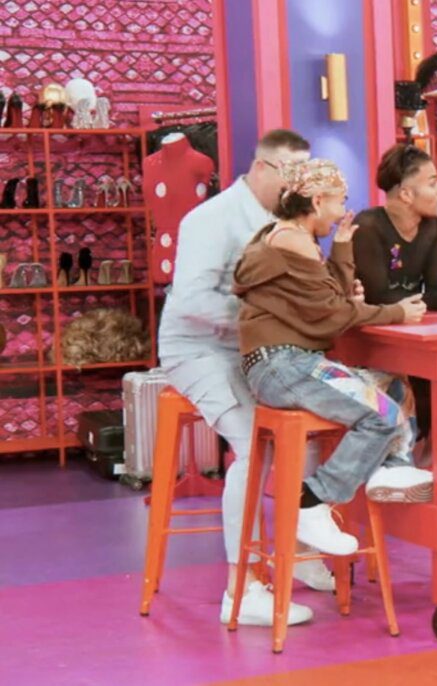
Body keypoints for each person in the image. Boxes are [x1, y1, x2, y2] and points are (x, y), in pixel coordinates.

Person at [159, 130, 325, 626]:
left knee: (312, 428)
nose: (299, 185)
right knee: (255, 445)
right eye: (292, 174)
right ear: (261, 167)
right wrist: (266, 316)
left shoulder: (288, 220)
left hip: (261, 349)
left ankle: (300, 550)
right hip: (199, 350)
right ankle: (243, 587)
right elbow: (191, 302)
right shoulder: (211, 219)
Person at [233, 157, 432, 561]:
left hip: (289, 362)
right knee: (381, 415)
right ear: (317, 200)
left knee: (393, 383)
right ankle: (312, 501)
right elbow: (335, 315)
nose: (343, 210)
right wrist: (397, 312)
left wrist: (341, 247)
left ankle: (391, 468)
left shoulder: (288, 237)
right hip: (284, 364)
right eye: (339, 201)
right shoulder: (295, 242)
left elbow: (331, 302)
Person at [353, 144, 437, 454]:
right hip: (372, 334)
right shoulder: (368, 226)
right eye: (432, 182)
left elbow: (435, 288)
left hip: (413, 327)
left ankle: (431, 452)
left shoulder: (434, 223)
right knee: (421, 378)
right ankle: (413, 449)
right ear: (406, 194)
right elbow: (379, 296)